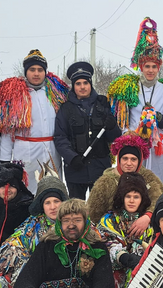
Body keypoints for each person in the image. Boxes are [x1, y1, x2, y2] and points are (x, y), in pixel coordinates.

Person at [107, 17, 163, 181]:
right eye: (147, 66)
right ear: (141, 67)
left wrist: (162, 121)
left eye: (154, 66)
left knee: (155, 182)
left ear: (159, 67)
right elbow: (120, 121)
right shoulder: (129, 88)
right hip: (133, 144)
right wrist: (130, 134)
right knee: (132, 181)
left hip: (157, 146)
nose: (150, 70)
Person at [95, 173, 154, 288]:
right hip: (116, 265)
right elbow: (105, 240)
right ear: (122, 197)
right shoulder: (109, 219)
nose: (131, 200)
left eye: (136, 196)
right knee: (113, 277)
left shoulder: (150, 222)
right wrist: (122, 256)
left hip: (141, 266)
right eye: (128, 196)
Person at [0, 49, 69, 194]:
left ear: (45, 72)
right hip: (25, 152)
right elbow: (7, 130)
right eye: (32, 69)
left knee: (52, 190)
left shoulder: (55, 94)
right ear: (26, 72)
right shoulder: (15, 95)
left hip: (51, 150)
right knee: (27, 191)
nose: (36, 73)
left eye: (40, 70)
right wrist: (5, 160)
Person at [54, 61, 121, 199]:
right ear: (73, 86)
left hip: (100, 169)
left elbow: (114, 138)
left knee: (100, 209)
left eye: (85, 83)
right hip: (76, 170)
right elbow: (60, 137)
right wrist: (71, 158)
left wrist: (112, 126)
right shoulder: (65, 109)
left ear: (90, 84)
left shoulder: (103, 104)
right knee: (76, 212)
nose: (82, 87)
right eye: (78, 84)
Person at [86, 131, 163, 228]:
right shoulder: (105, 182)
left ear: (139, 160)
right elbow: (92, 215)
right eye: (125, 158)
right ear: (119, 159)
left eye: (133, 159)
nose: (129, 163)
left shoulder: (148, 178)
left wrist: (148, 216)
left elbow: (160, 200)